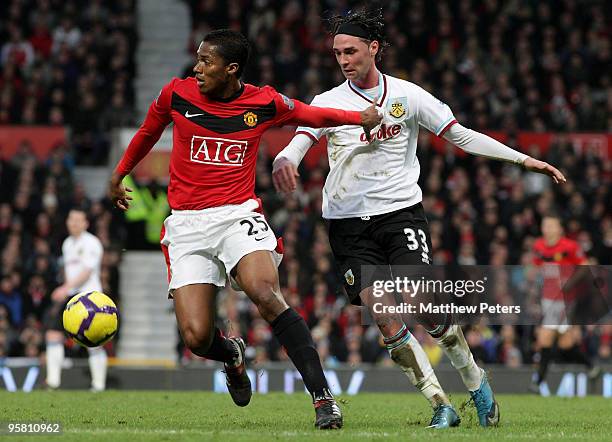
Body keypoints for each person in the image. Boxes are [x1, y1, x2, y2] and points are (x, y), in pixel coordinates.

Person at [273, 8, 566, 429]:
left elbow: (460, 135)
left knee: (421, 304)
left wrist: (524, 160)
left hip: (400, 214)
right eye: (337, 53)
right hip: (347, 224)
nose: (343, 60)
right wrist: (285, 160)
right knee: (383, 314)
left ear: (373, 49)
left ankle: (475, 379)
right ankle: (439, 405)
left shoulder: (408, 96)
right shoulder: (328, 103)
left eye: (351, 51)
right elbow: (300, 139)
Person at [109, 29, 381, 430]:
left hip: (237, 213)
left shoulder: (263, 102)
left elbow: (312, 114)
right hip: (186, 223)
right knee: (196, 337)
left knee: (265, 293)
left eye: (206, 62)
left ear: (231, 69)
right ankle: (233, 355)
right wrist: (120, 174)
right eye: (198, 59)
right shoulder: (177, 94)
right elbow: (149, 131)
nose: (197, 68)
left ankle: (323, 399)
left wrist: (360, 116)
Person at [530, 212, 599, 393]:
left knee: (545, 337)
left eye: (551, 225)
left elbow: (585, 266)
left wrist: (570, 284)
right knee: (566, 346)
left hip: (564, 301)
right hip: (547, 299)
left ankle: (537, 383)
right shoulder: (538, 246)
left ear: (560, 229)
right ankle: (591, 367)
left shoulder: (570, 246)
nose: (547, 229)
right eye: (544, 225)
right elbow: (537, 268)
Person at [45, 208, 108, 392]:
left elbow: (87, 272)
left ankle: (98, 385)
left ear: (85, 223)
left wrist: (64, 288)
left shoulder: (92, 243)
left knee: (93, 341)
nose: (73, 223)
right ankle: (53, 382)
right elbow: (70, 272)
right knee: (53, 334)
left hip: (91, 297)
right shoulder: (67, 244)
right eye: (70, 219)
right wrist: (66, 287)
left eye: (77, 220)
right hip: (72, 297)